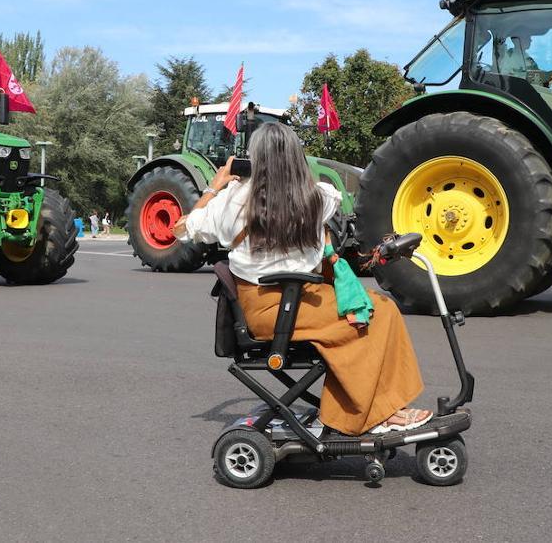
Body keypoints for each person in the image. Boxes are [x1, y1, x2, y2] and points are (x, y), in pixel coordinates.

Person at [175, 122, 430, 436]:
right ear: (297, 159)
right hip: (290, 305)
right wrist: (293, 171)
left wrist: (216, 186)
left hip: (267, 307)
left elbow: (182, 229)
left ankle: (375, 409)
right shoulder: (314, 198)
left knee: (381, 310)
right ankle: (377, 414)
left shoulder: (231, 202)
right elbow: (333, 194)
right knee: (376, 314)